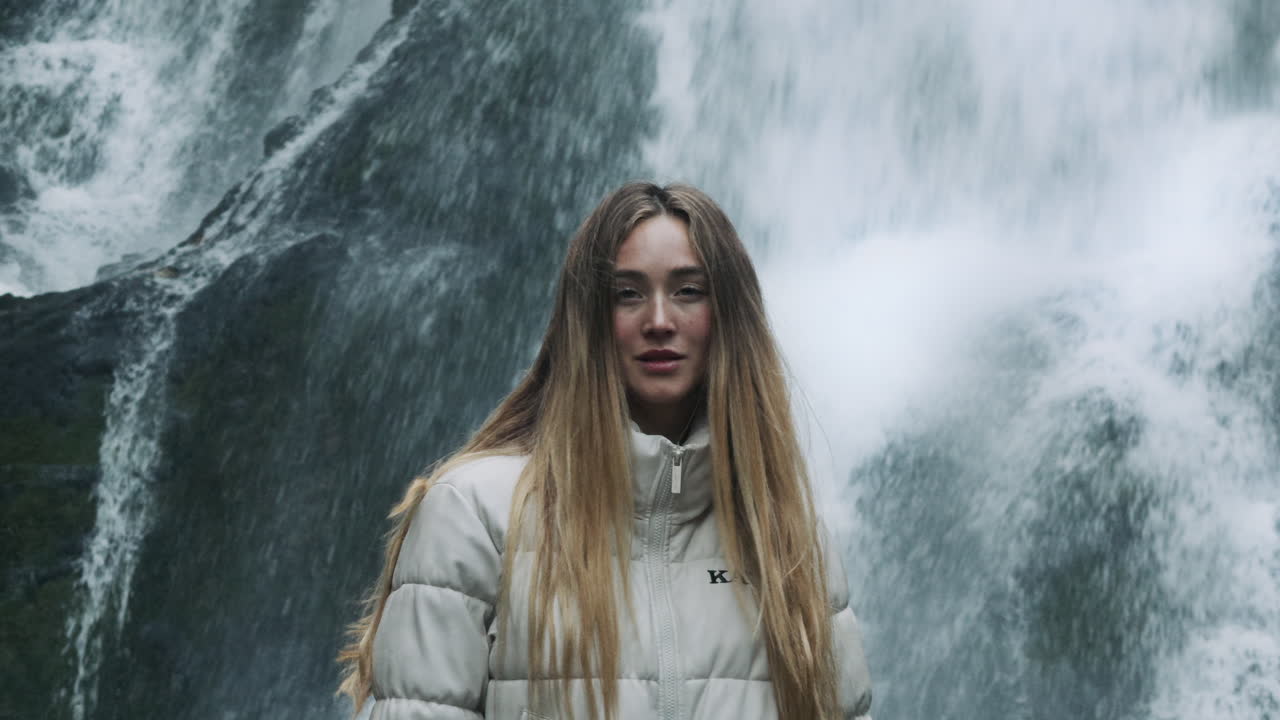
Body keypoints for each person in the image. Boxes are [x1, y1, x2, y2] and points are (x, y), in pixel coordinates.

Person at [337, 182, 873, 720]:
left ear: (729, 316)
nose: (659, 320)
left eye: (689, 290)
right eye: (627, 293)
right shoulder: (477, 512)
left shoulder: (784, 532)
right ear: (587, 319)